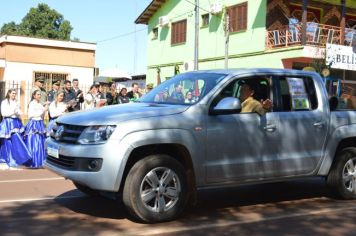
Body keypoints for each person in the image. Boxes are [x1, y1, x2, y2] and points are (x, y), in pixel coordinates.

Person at [0, 89, 31, 168]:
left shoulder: (16, 102)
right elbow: (4, 113)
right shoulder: (4, 102)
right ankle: (8, 157)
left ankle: (19, 157)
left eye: (15, 94)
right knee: (7, 141)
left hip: (16, 122)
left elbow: (19, 112)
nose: (14, 95)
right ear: (9, 93)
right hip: (8, 122)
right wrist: (14, 112)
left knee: (17, 140)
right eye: (13, 93)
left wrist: (19, 114)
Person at [24, 90, 49, 168]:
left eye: (40, 94)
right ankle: (33, 161)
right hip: (34, 123)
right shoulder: (32, 104)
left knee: (40, 142)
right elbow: (30, 115)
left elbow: (42, 114)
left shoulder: (39, 104)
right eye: (38, 94)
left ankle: (40, 161)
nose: (39, 96)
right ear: (34, 96)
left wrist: (45, 109)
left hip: (40, 123)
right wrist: (43, 110)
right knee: (34, 141)